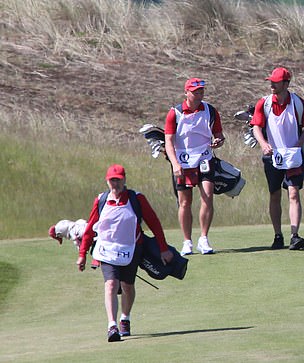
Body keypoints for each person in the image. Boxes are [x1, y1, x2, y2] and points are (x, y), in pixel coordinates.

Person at [76, 164, 174, 342]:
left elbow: (154, 222)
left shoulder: (136, 199)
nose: (115, 183)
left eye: (118, 180)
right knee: (111, 284)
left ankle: (125, 318)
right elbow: (90, 228)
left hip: (132, 248)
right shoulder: (101, 200)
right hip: (106, 250)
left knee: (127, 286)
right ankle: (111, 326)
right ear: (107, 181)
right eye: (112, 180)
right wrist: (82, 254)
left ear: (124, 180)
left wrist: (163, 248)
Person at [250, 67, 304, 250]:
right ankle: (278, 235)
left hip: (293, 156)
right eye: (271, 81)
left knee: (293, 193)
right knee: (275, 194)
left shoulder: (298, 103)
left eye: (276, 82)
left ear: (286, 84)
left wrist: (300, 143)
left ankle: (294, 235)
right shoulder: (264, 103)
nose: (272, 84)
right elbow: (256, 127)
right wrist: (263, 143)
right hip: (272, 156)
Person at [164, 77, 226, 255]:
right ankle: (187, 241)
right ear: (186, 93)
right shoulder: (174, 113)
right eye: (195, 92)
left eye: (201, 91)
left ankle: (204, 239)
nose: (199, 95)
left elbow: (219, 134)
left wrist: (218, 141)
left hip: (205, 157)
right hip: (182, 160)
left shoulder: (210, 110)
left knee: (207, 196)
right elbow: (168, 141)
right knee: (185, 202)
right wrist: (175, 163)